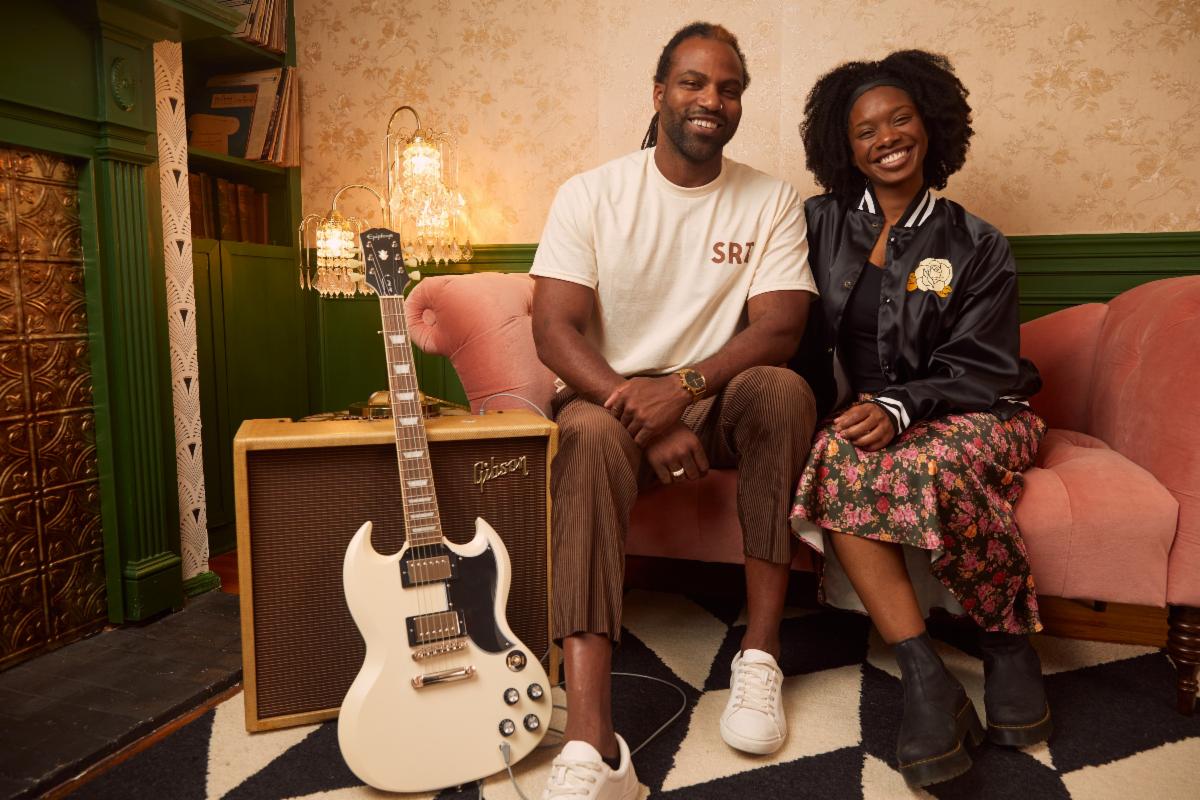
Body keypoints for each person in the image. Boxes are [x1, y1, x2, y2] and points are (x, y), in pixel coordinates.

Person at [530, 21, 818, 800]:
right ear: (660, 93)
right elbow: (553, 329)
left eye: (728, 88)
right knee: (585, 437)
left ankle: (759, 656)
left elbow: (781, 327)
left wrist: (685, 393)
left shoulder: (770, 200)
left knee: (783, 389)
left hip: (714, 396)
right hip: (611, 398)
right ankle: (593, 744)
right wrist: (646, 414)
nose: (710, 99)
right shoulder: (591, 193)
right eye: (693, 82)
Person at [788, 50, 1051, 788]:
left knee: (924, 459)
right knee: (836, 456)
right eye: (865, 129)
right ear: (845, 148)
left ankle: (1005, 643)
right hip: (865, 419)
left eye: (899, 118)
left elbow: (986, 364)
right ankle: (927, 677)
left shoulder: (977, 244)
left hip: (978, 408)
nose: (885, 137)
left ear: (930, 125)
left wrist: (901, 406)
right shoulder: (817, 224)